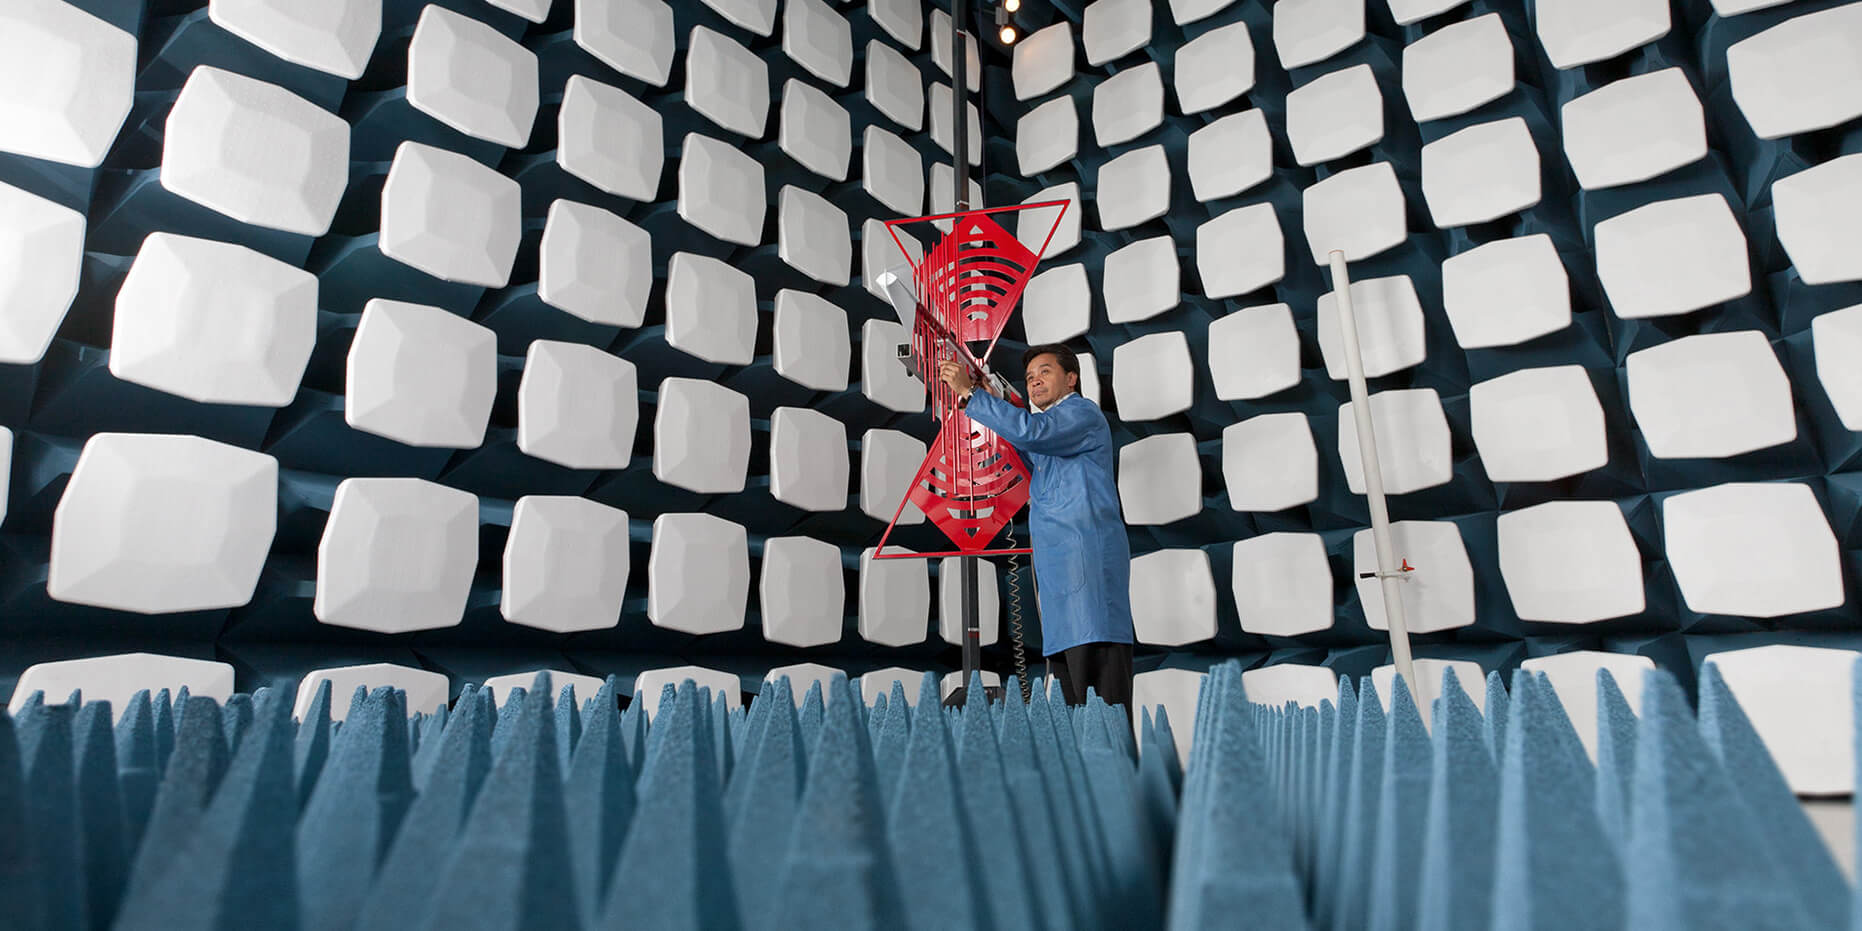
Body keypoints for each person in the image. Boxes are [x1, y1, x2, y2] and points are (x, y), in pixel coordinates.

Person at [937, 344, 1136, 715]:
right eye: (1029, 377)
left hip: (1087, 568)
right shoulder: (1052, 434)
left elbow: (1031, 432)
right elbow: (1023, 444)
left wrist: (972, 394)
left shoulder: (1081, 413)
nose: (1035, 381)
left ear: (1071, 378)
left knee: (1102, 705)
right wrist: (994, 401)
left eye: (1045, 372)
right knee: (1070, 707)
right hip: (1060, 579)